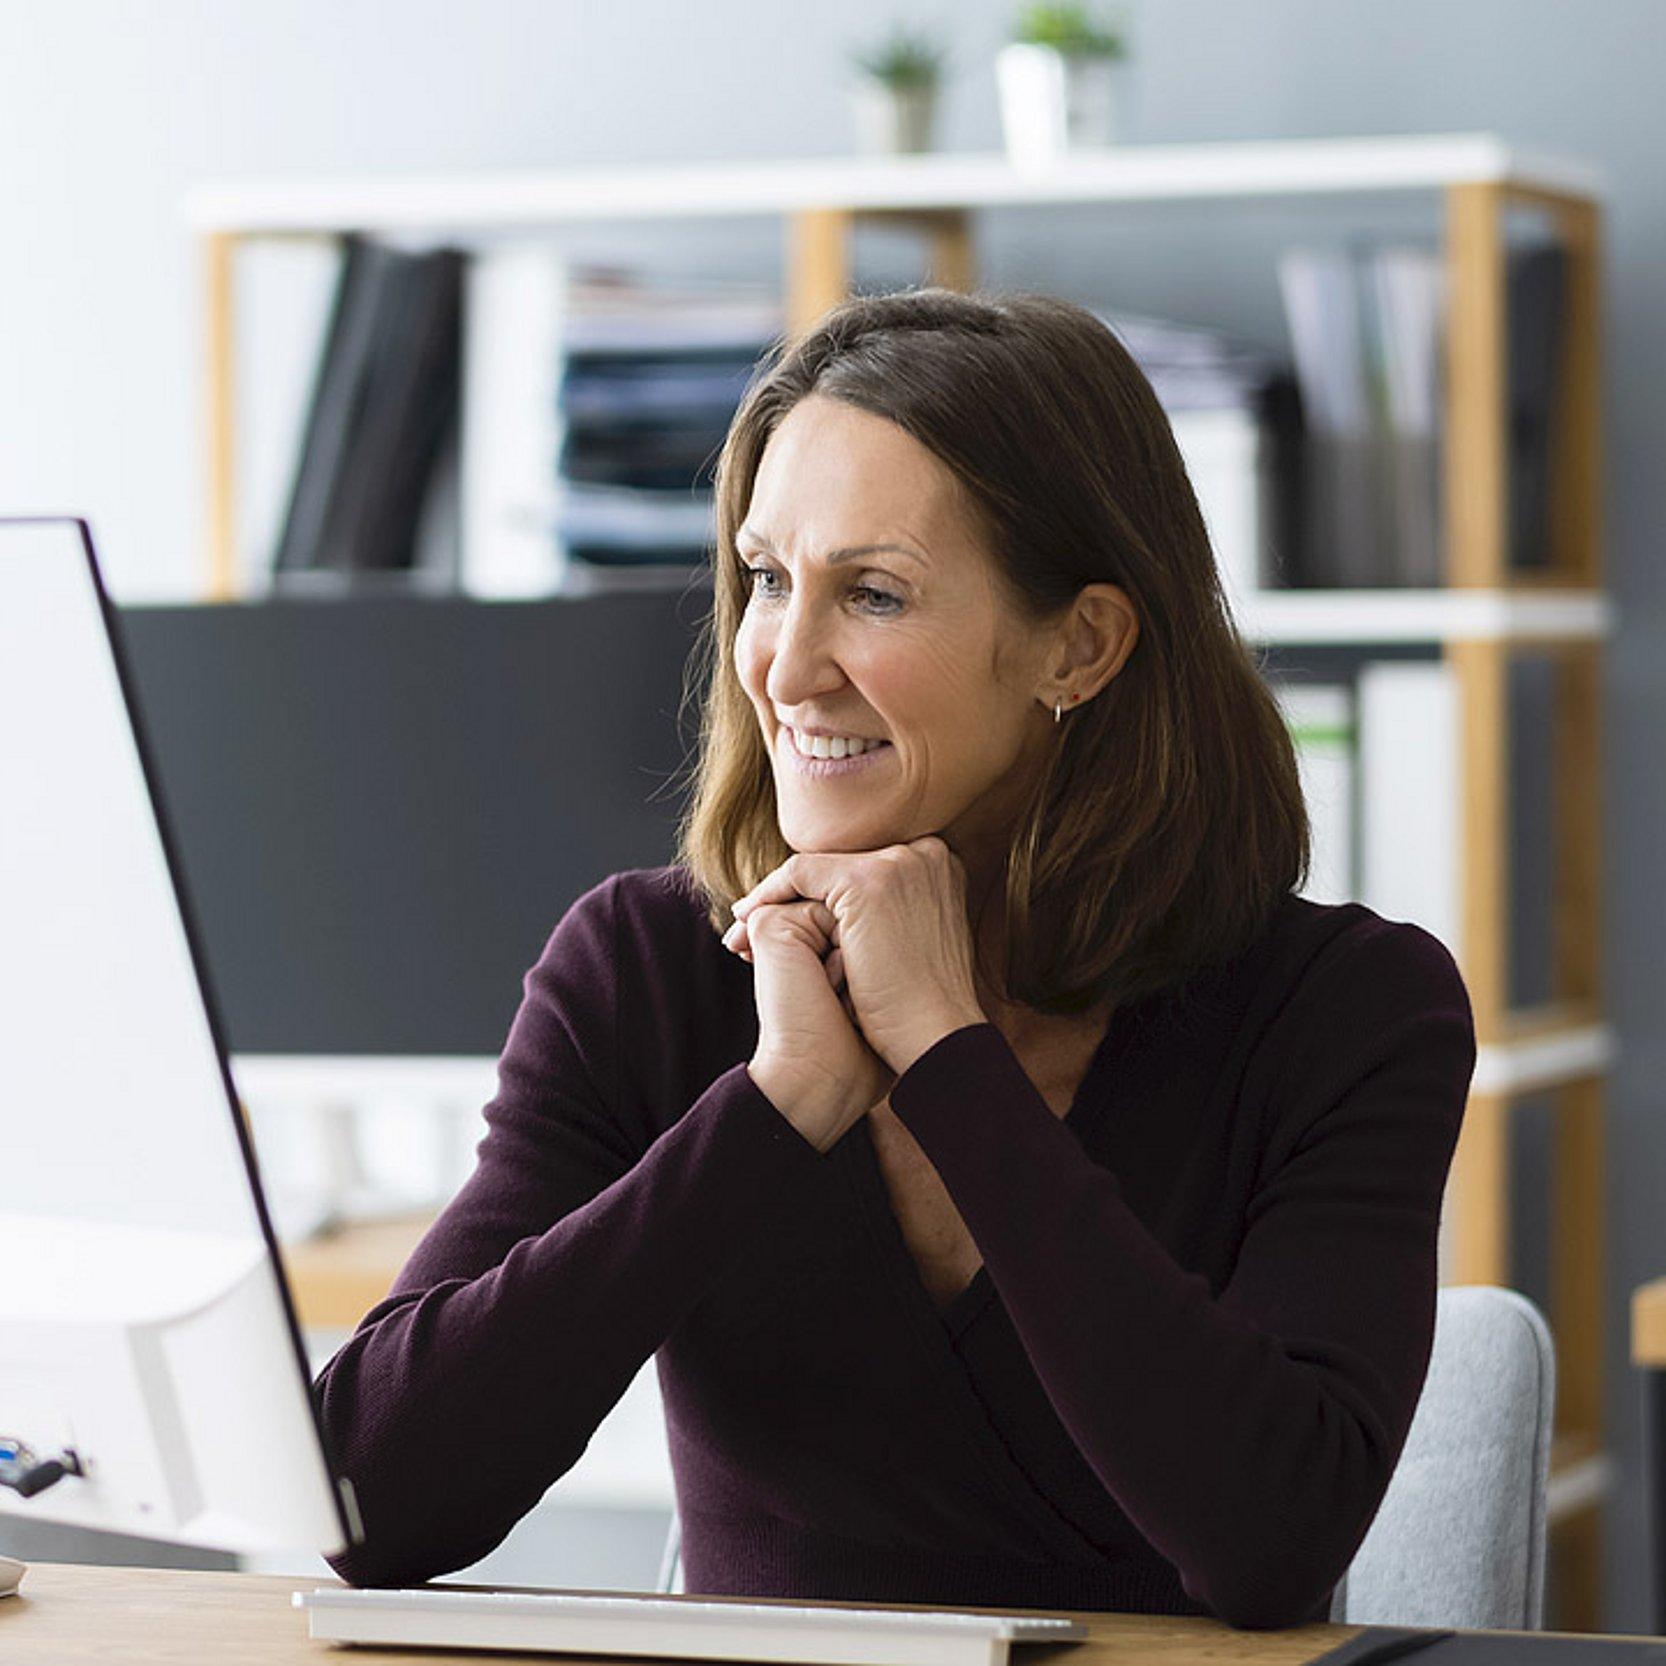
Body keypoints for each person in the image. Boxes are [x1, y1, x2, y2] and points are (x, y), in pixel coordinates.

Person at [312, 288, 1476, 1630]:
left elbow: (1267, 1541)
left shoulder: (1343, 1011)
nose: (783, 665)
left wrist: (942, 1051)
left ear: (1078, 644)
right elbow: (367, 1500)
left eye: (871, 592)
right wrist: (773, 1103)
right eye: (763, 578)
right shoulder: (642, 968)